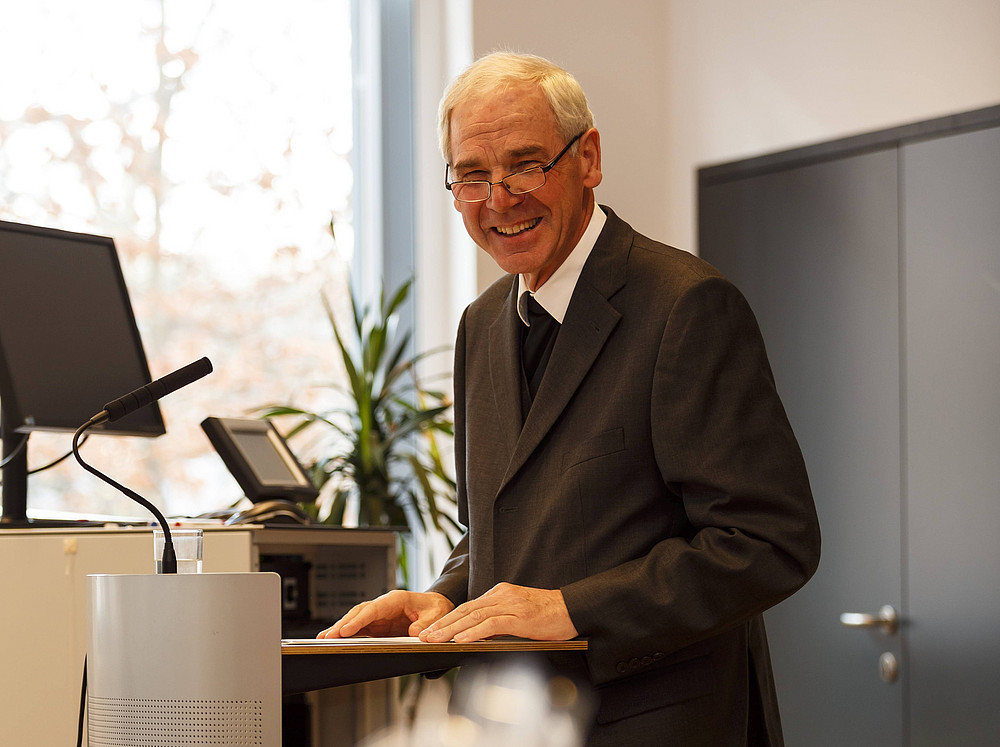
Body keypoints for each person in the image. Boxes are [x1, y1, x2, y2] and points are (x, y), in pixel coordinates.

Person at [319, 52, 821, 746]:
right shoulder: (483, 322)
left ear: (588, 158)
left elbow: (768, 541)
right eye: (472, 175)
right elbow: (505, 525)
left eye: (527, 164)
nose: (498, 200)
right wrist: (445, 597)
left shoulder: (686, 306)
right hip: (512, 725)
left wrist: (574, 609)